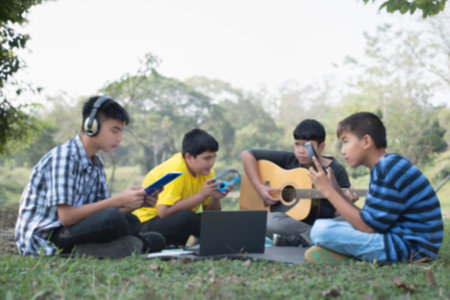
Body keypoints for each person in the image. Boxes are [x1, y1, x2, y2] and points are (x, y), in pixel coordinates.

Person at [15, 96, 165, 258]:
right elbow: (66, 217)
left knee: (137, 224)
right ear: (91, 126)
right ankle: (122, 246)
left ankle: (94, 249)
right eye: (114, 130)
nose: (119, 138)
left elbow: (100, 212)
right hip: (47, 237)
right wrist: (119, 200)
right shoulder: (65, 157)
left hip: (74, 230)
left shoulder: (96, 164)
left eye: (121, 131)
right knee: (113, 217)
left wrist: (136, 204)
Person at [305, 112, 444, 264]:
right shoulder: (387, 165)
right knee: (328, 226)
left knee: (321, 229)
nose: (343, 150)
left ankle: (350, 257)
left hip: (410, 249)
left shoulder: (387, 169)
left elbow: (367, 227)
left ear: (366, 141)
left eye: (346, 142)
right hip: (403, 241)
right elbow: (370, 219)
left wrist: (329, 192)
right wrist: (336, 189)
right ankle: (346, 255)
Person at [241, 119, 354, 247]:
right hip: (289, 223)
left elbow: (337, 213)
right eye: (297, 144)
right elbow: (247, 154)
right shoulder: (290, 159)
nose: (300, 150)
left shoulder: (335, 170)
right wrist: (260, 188)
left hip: (322, 223)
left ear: (321, 146)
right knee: (268, 220)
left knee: (355, 219)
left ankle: (302, 239)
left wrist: (347, 203)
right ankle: (315, 239)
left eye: (307, 146)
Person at [133, 128, 233, 247]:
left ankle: (193, 241)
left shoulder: (207, 172)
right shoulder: (176, 169)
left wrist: (215, 198)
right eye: (207, 158)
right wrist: (202, 195)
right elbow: (164, 212)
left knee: (217, 220)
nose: (211, 163)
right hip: (147, 223)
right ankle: (200, 240)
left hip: (174, 221)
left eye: (213, 157)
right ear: (189, 157)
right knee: (187, 218)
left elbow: (211, 214)